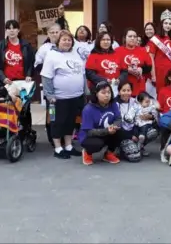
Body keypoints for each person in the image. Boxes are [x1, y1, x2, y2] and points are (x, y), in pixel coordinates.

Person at [41, 30, 85, 159]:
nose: (67, 42)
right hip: (58, 99)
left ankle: (69, 145)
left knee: (70, 122)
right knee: (57, 122)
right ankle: (58, 148)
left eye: (69, 40)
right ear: (58, 41)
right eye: (64, 39)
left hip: (75, 96)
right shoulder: (52, 55)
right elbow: (46, 77)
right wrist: (50, 96)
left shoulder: (75, 55)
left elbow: (81, 74)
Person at [79, 81, 122, 165]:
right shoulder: (88, 109)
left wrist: (115, 126)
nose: (107, 95)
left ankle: (108, 153)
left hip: (107, 131)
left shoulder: (113, 104)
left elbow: (118, 118)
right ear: (96, 94)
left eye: (109, 92)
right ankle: (87, 152)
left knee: (122, 132)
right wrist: (107, 131)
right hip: (89, 136)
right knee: (97, 143)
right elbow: (89, 131)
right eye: (103, 92)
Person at [34, 23, 61, 147]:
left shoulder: (67, 45)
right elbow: (36, 64)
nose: (55, 34)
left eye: (57, 32)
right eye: (52, 32)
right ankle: (52, 136)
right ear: (48, 34)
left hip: (64, 88)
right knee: (52, 112)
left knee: (64, 112)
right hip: (50, 86)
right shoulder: (44, 48)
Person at [147, 10, 171, 94]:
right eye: (166, 23)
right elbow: (151, 58)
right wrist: (153, 75)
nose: (168, 25)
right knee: (162, 94)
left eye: (170, 24)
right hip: (160, 71)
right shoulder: (155, 39)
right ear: (162, 24)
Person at [116, 28, 152, 96]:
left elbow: (149, 66)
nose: (132, 38)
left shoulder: (143, 50)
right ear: (125, 38)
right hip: (123, 88)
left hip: (139, 87)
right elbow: (114, 68)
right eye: (130, 36)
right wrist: (127, 70)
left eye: (134, 36)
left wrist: (142, 69)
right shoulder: (117, 51)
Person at [114, 82, 143, 162]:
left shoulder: (135, 102)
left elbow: (138, 120)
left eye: (128, 90)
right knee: (135, 157)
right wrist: (130, 136)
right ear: (119, 92)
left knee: (151, 131)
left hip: (133, 131)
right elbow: (116, 126)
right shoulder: (114, 104)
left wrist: (135, 134)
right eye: (123, 90)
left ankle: (139, 146)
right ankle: (119, 148)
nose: (126, 93)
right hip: (120, 133)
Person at [134, 92, 160, 157]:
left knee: (147, 129)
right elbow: (133, 115)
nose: (148, 103)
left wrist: (151, 116)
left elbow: (155, 112)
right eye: (146, 102)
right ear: (140, 102)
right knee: (138, 130)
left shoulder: (150, 106)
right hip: (137, 123)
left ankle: (141, 145)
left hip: (146, 123)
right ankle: (136, 146)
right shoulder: (136, 106)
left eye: (148, 101)